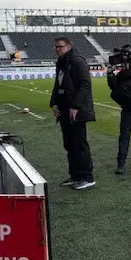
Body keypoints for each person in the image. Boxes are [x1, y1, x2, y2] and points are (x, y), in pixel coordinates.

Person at [49, 37, 96, 190]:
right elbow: (58, 84)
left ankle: (87, 177)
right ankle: (75, 175)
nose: (57, 49)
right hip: (64, 109)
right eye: (56, 47)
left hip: (77, 110)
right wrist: (54, 103)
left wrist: (75, 106)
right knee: (69, 144)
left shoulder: (77, 61)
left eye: (60, 47)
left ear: (69, 46)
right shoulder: (61, 63)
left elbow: (85, 85)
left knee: (79, 143)